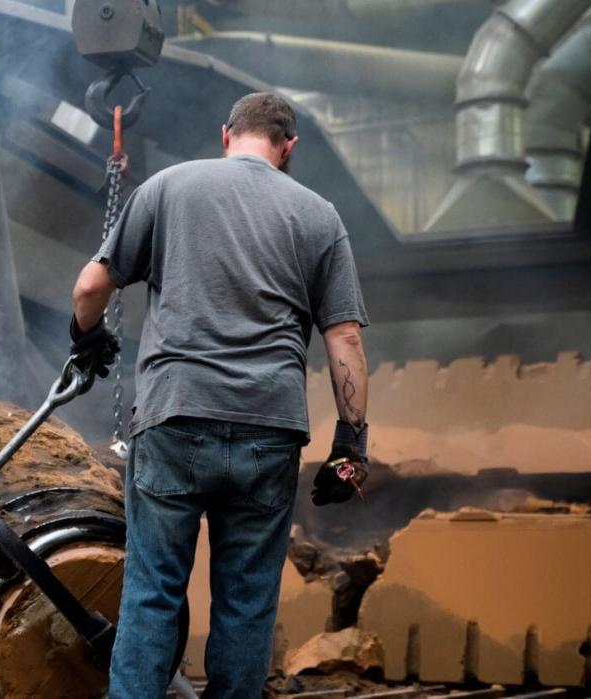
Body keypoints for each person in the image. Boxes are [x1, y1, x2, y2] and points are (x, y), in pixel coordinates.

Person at [67, 92, 371, 698]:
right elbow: (343, 338)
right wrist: (352, 444)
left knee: (152, 593)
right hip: (269, 429)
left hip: (174, 417)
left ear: (226, 134)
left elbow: (90, 285)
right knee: (246, 603)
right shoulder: (319, 216)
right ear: (290, 148)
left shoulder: (167, 188)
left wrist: (86, 336)